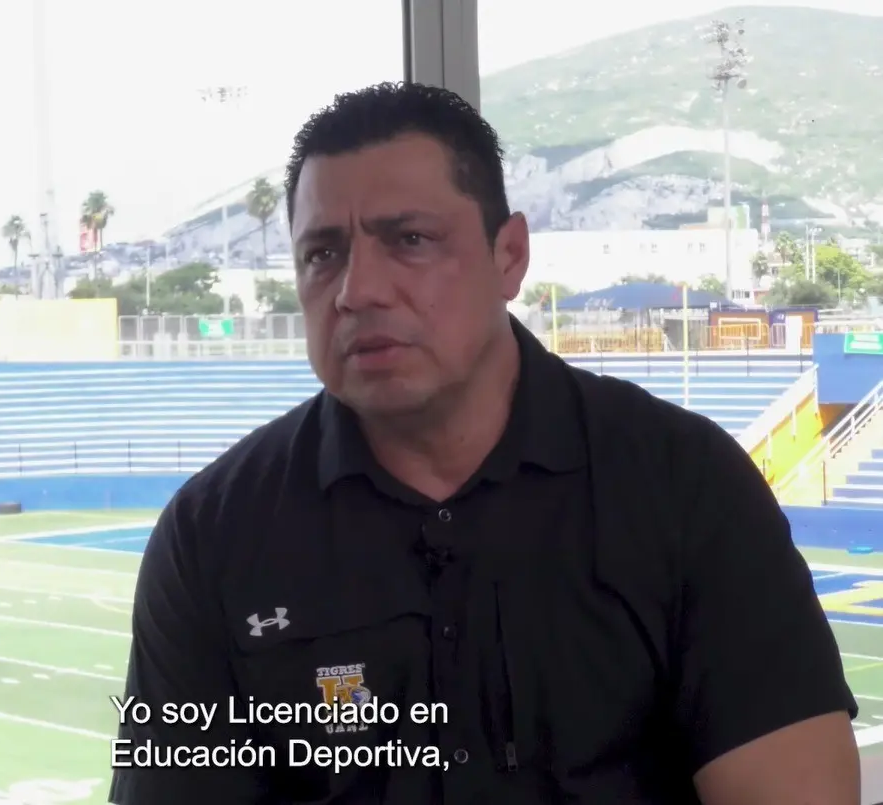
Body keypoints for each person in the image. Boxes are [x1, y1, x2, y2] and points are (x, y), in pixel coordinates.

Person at [109, 82, 859, 805]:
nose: (357, 289)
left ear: (510, 256)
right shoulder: (213, 535)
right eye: (323, 254)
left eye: (409, 240)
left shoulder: (685, 487)